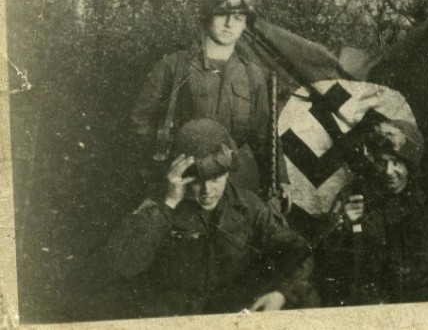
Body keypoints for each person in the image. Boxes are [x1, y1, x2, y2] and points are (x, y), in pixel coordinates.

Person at [106, 118, 317, 316]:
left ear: (228, 172)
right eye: (197, 180)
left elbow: (298, 252)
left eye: (216, 178)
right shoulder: (158, 205)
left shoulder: (249, 205)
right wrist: (168, 203)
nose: (207, 190)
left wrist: (281, 293)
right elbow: (122, 265)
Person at [131, 0, 288, 198]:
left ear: (245, 26)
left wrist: (279, 179)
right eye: (222, 14)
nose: (229, 24)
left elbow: (264, 135)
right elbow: (140, 122)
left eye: (239, 18)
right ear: (206, 17)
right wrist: (162, 167)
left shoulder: (252, 74)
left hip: (235, 185)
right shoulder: (174, 67)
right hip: (183, 184)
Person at [315, 119, 428, 306]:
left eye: (397, 163)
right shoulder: (355, 197)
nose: (388, 171)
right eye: (382, 162)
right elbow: (330, 265)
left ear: (409, 166)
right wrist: (344, 225)